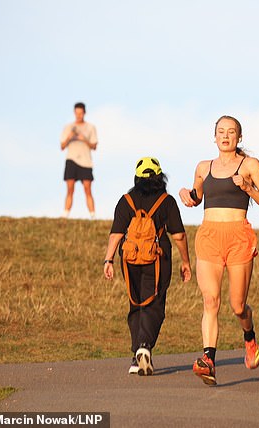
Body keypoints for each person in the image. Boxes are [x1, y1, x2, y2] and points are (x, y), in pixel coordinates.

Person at [179, 115, 259, 386]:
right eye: (221, 131)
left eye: (231, 132)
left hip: (238, 237)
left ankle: (249, 337)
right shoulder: (203, 167)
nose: (226, 136)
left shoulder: (249, 165)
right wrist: (188, 196)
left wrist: (247, 187)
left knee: (237, 306)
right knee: (210, 301)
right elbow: (197, 197)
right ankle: (208, 360)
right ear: (214, 136)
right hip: (209, 235)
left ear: (239, 137)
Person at [103, 157, 192, 375]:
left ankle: (136, 357)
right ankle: (144, 346)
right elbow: (179, 235)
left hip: (129, 259)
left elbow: (116, 233)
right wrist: (186, 262)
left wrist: (109, 259)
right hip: (158, 258)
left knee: (137, 304)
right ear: (160, 177)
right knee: (154, 303)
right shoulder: (167, 201)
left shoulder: (126, 200)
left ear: (137, 178)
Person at [60, 102, 99, 219]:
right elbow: (62, 146)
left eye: (80, 113)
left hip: (86, 161)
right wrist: (70, 136)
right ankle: (65, 214)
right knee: (70, 189)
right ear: (74, 113)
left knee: (87, 189)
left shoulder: (90, 127)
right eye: (76, 113)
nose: (78, 115)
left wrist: (84, 139)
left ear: (84, 113)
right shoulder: (68, 127)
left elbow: (94, 146)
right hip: (71, 160)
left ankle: (93, 215)